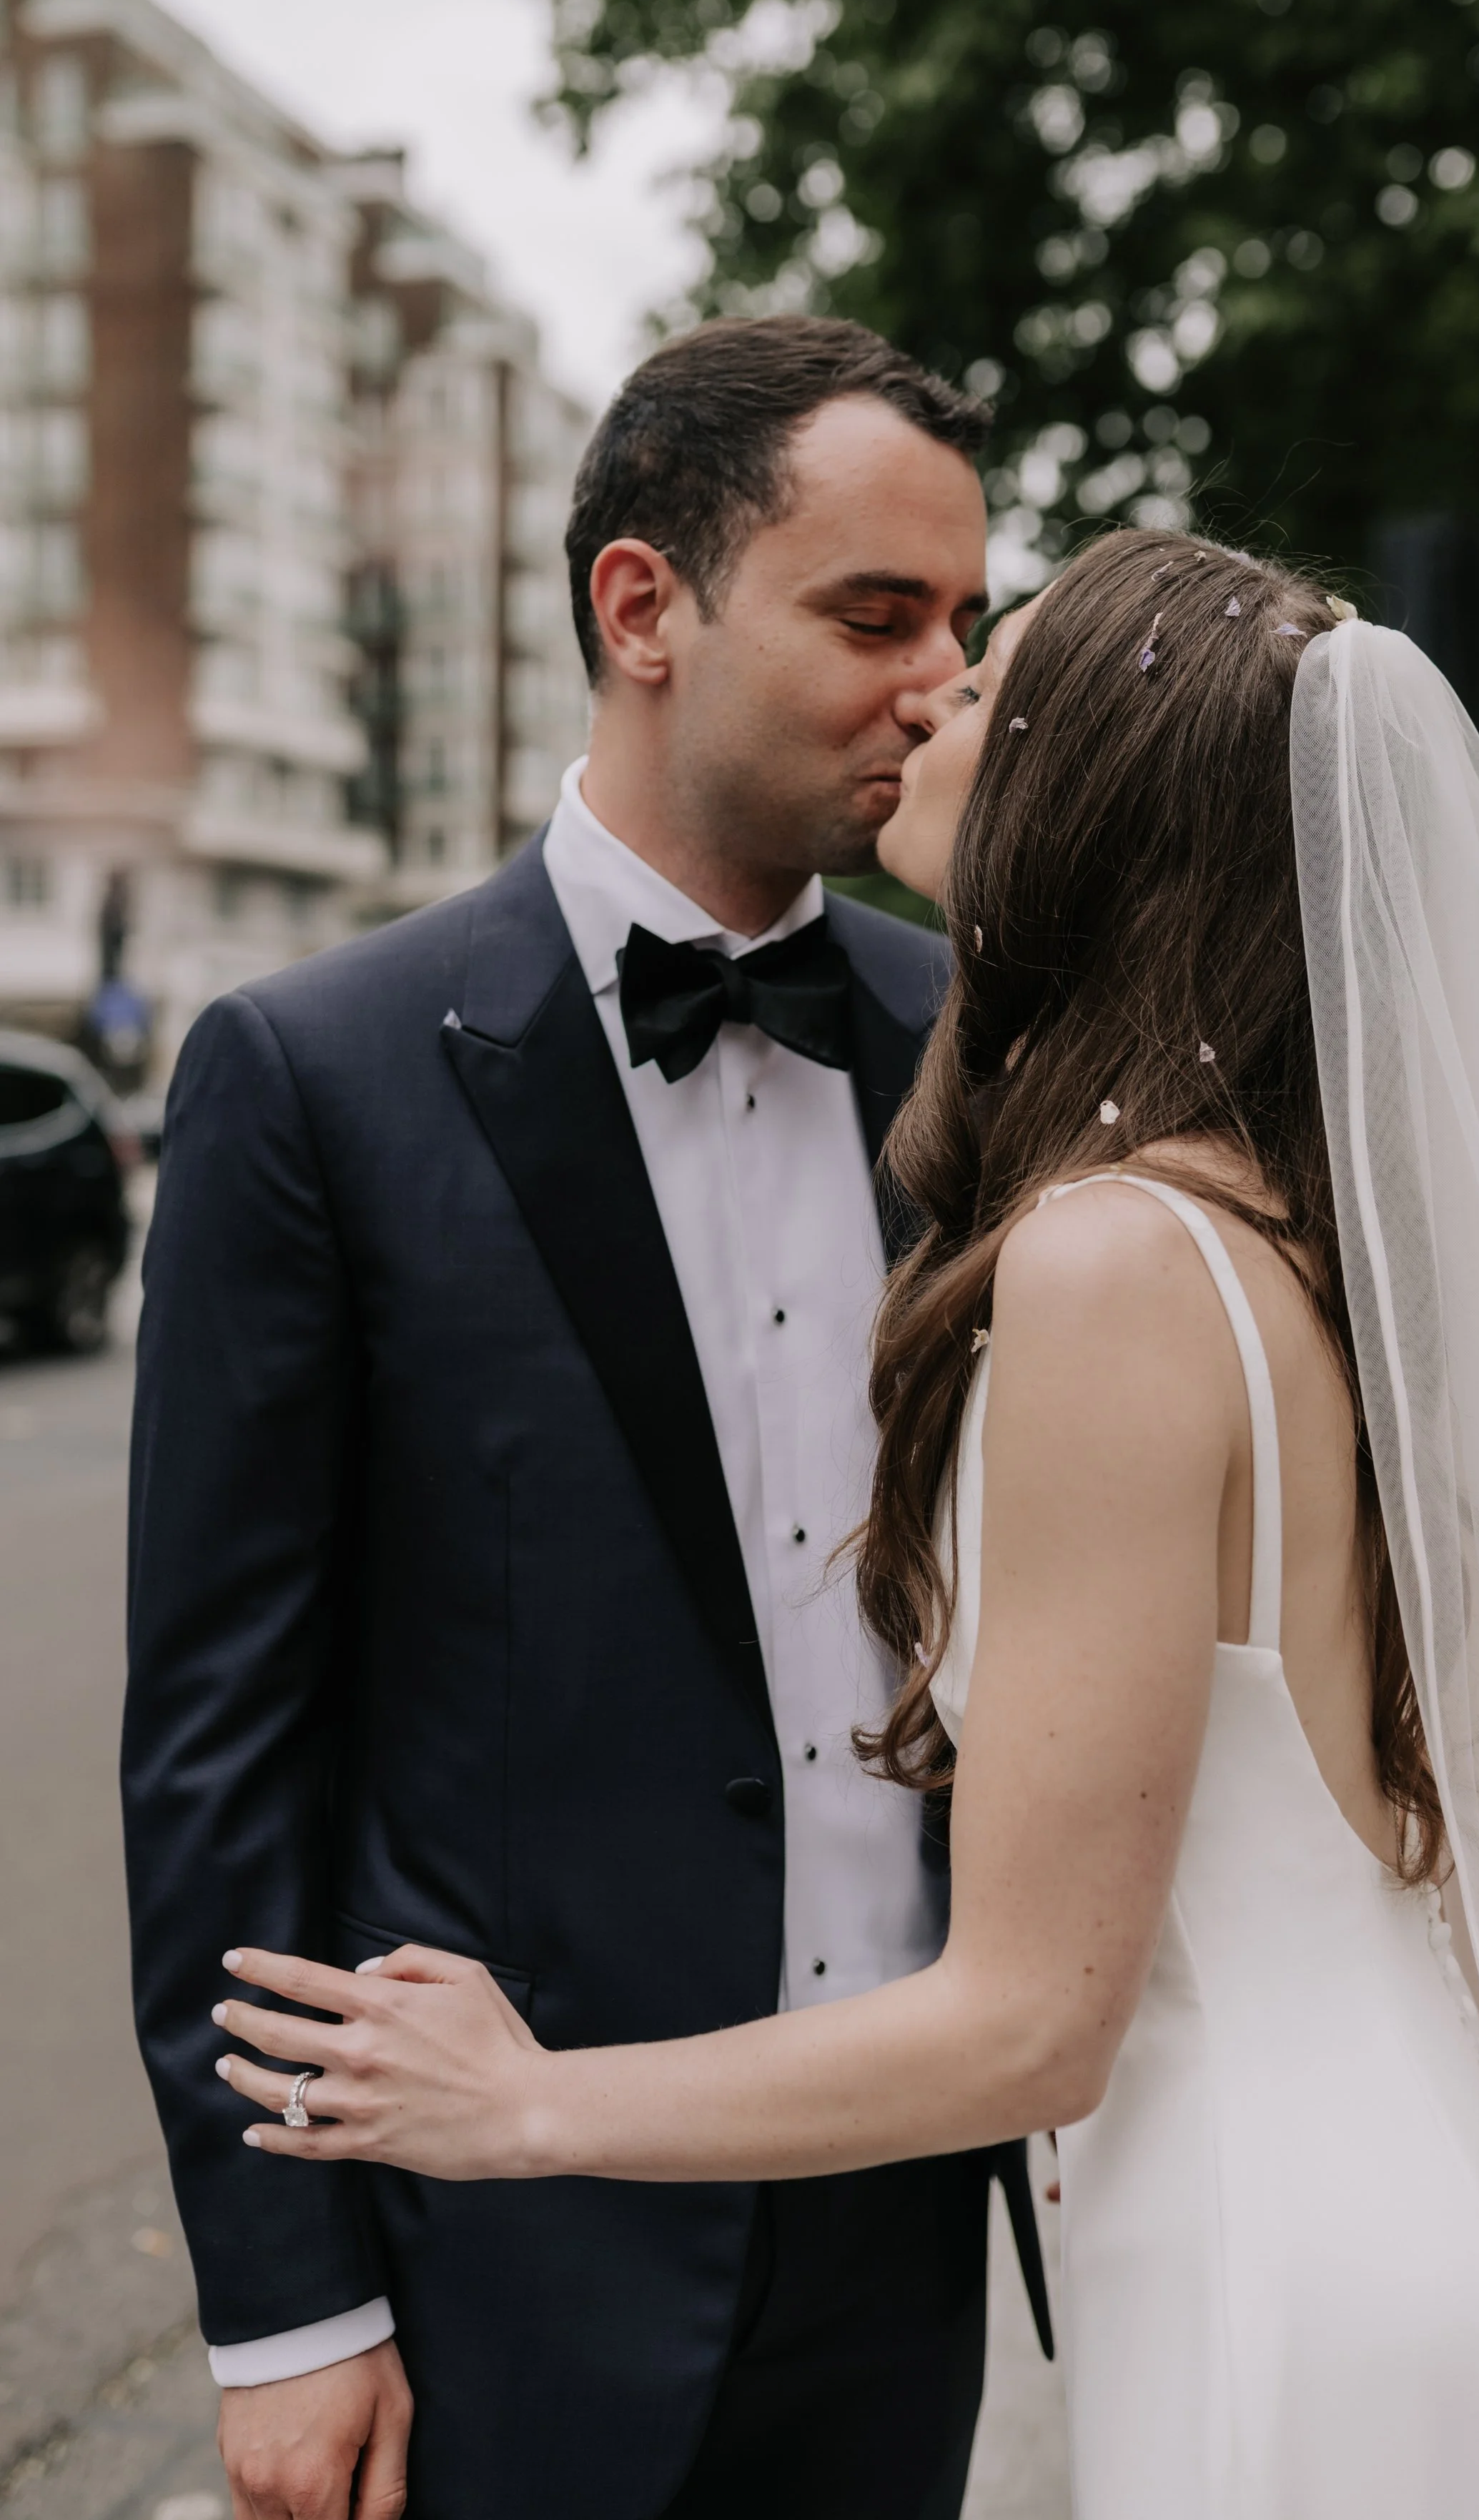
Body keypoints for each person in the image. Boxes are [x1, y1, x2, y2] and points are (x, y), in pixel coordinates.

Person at [209, 531, 1479, 2515]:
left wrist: (524, 2103)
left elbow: (1035, 2015)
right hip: (1384, 2177)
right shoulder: (1281, 1219)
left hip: (1291, 2259)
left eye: (986, 682)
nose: (928, 697)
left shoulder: (1116, 1261)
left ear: (1089, 805)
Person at [125, 314, 1051, 2520]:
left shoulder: (972, 1033)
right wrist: (288, 2305)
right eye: (871, 613)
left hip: (900, 2212)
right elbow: (223, 1746)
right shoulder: (314, 1074)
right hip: (498, 2254)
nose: (939, 683)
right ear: (645, 607)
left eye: (961, 620)